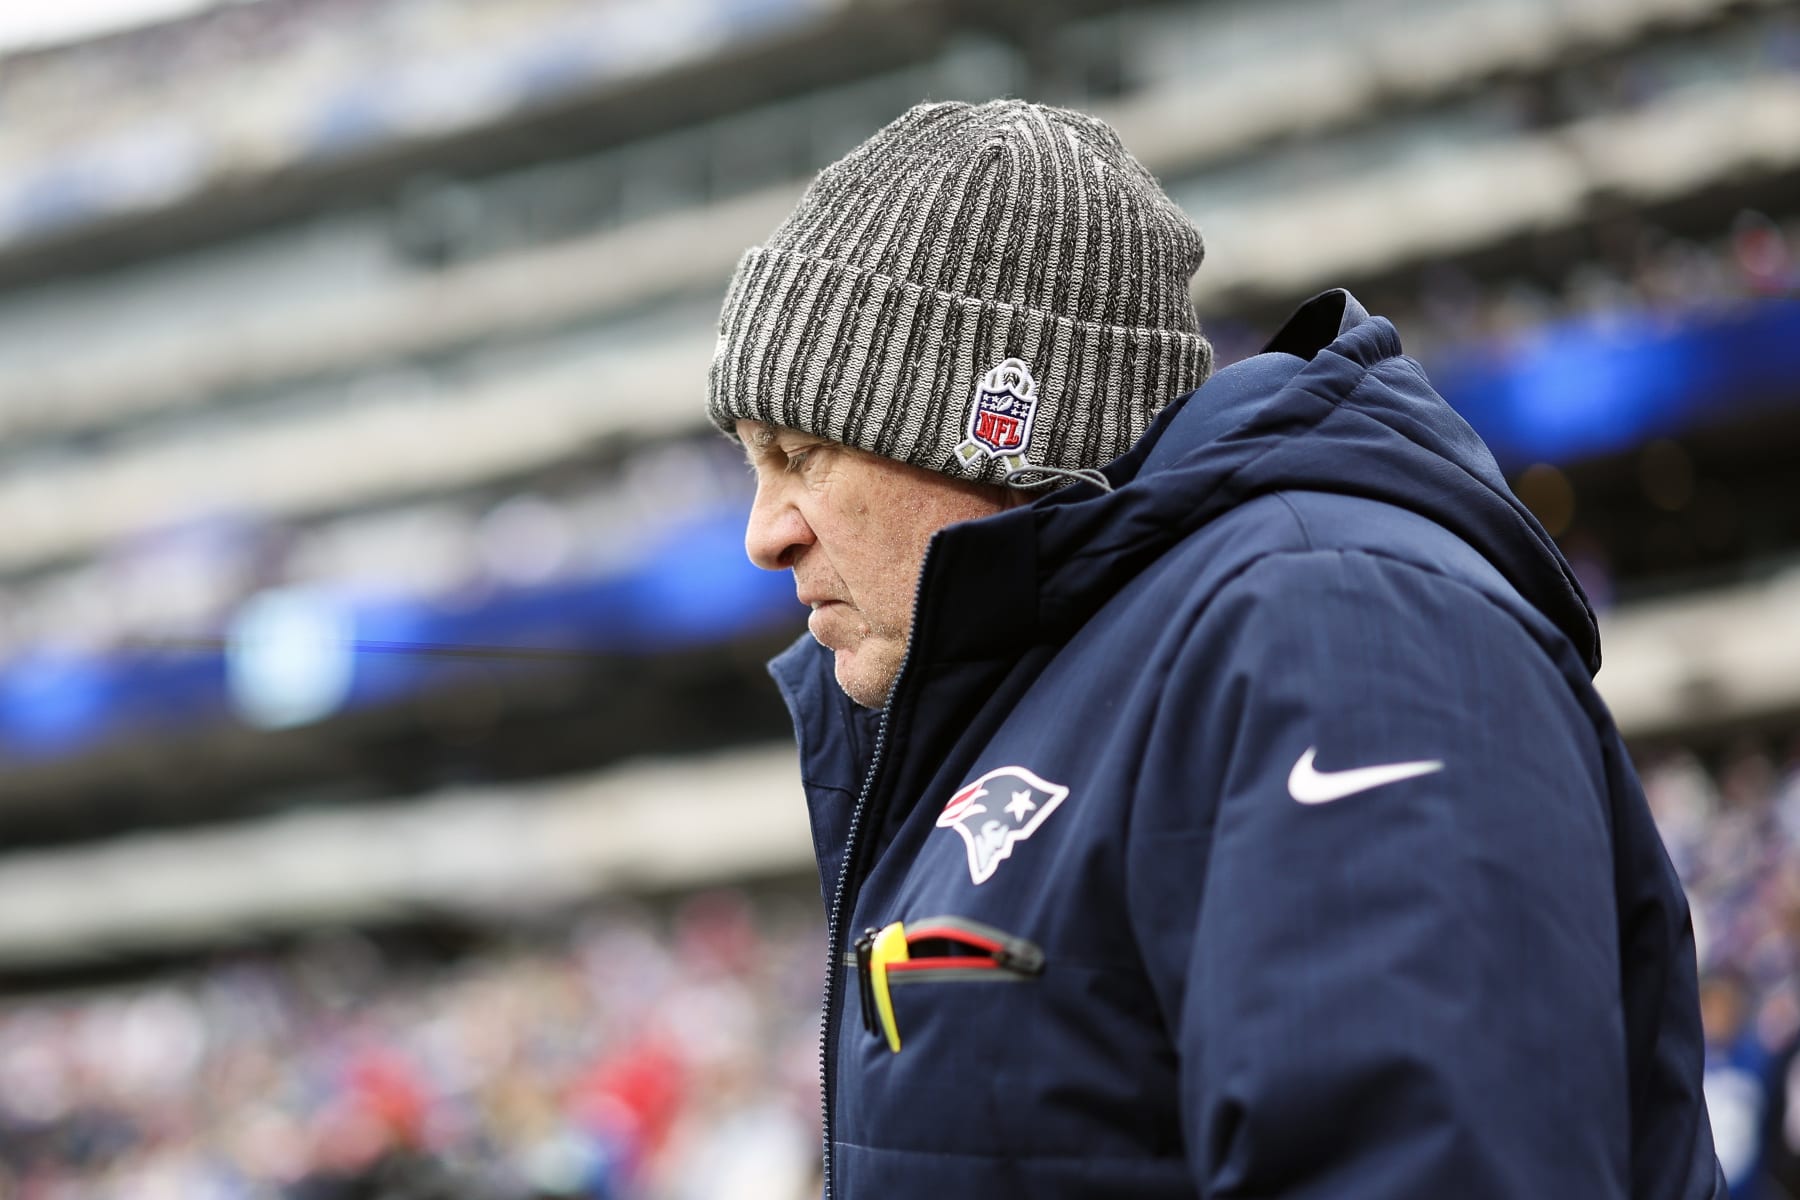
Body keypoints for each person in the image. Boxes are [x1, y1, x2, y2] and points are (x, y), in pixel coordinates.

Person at [707, 99, 1724, 1198]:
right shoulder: (1049, 689)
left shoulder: (1338, 627)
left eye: (801, 453)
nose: (765, 535)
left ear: (995, 421)